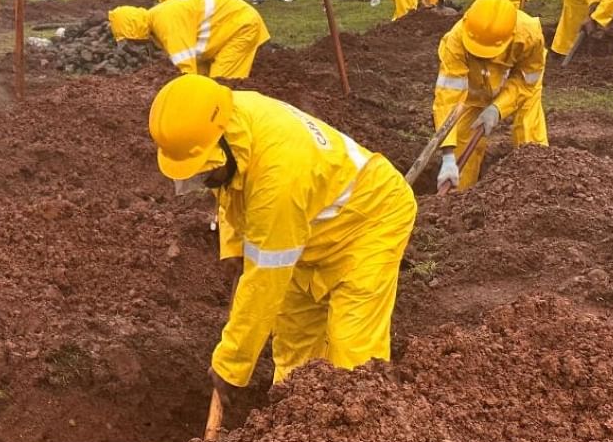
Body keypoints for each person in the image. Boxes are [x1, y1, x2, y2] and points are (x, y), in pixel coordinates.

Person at [147, 74, 416, 395]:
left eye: (204, 173)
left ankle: (362, 428)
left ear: (220, 147)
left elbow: (264, 281)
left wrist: (232, 364)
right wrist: (233, 246)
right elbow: (231, 185)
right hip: (307, 226)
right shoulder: (231, 120)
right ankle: (294, 426)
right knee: (294, 346)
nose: (204, 183)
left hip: (369, 220)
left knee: (352, 356)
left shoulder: (278, 180)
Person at [433, 0, 547, 190]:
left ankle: (539, 189)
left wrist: (498, 108)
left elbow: (526, 82)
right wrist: (448, 154)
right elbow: (448, 97)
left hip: (520, 88)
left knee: (530, 134)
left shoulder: (529, 34)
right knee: (462, 140)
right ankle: (457, 199)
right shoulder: (457, 39)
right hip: (476, 92)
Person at [107, 0, 270, 80]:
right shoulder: (157, 19)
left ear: (134, 29)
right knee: (207, 80)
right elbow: (196, 59)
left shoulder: (165, 23)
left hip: (241, 26)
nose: (134, 45)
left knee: (222, 83)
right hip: (231, 25)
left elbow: (186, 68)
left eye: (130, 39)